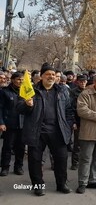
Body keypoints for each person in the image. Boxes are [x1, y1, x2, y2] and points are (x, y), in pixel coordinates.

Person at [16, 63, 75, 196]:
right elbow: (19, 109)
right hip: (36, 131)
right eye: (48, 74)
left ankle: (62, 184)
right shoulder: (30, 90)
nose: (51, 77)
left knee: (61, 159)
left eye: (53, 74)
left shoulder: (62, 91)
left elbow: (69, 111)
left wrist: (68, 124)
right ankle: (38, 186)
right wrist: (27, 105)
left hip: (58, 131)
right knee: (35, 160)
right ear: (41, 76)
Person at [0, 72, 25, 176]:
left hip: (23, 124)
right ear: (13, 79)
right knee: (7, 147)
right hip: (10, 124)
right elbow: (0, 108)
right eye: (19, 79)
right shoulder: (4, 92)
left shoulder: (26, 92)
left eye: (22, 80)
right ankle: (5, 167)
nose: (20, 81)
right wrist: (1, 122)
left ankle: (18, 167)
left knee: (20, 148)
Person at [69, 75, 88, 170]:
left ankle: (84, 162)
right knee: (77, 144)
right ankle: (75, 163)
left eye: (84, 81)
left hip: (88, 121)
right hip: (78, 121)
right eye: (81, 81)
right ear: (77, 82)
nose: (83, 83)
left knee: (87, 144)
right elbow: (71, 108)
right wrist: (73, 122)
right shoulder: (73, 92)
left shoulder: (89, 92)